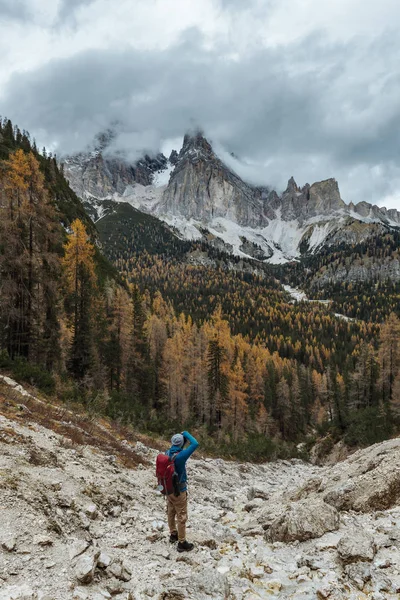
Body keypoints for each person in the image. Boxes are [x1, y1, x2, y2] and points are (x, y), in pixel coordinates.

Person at [166, 430, 199, 552]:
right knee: (182, 516)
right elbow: (195, 444)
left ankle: (173, 534)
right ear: (181, 444)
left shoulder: (167, 452)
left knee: (171, 511)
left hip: (168, 489)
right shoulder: (181, 456)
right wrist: (185, 433)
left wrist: (180, 439)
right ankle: (182, 542)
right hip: (179, 490)